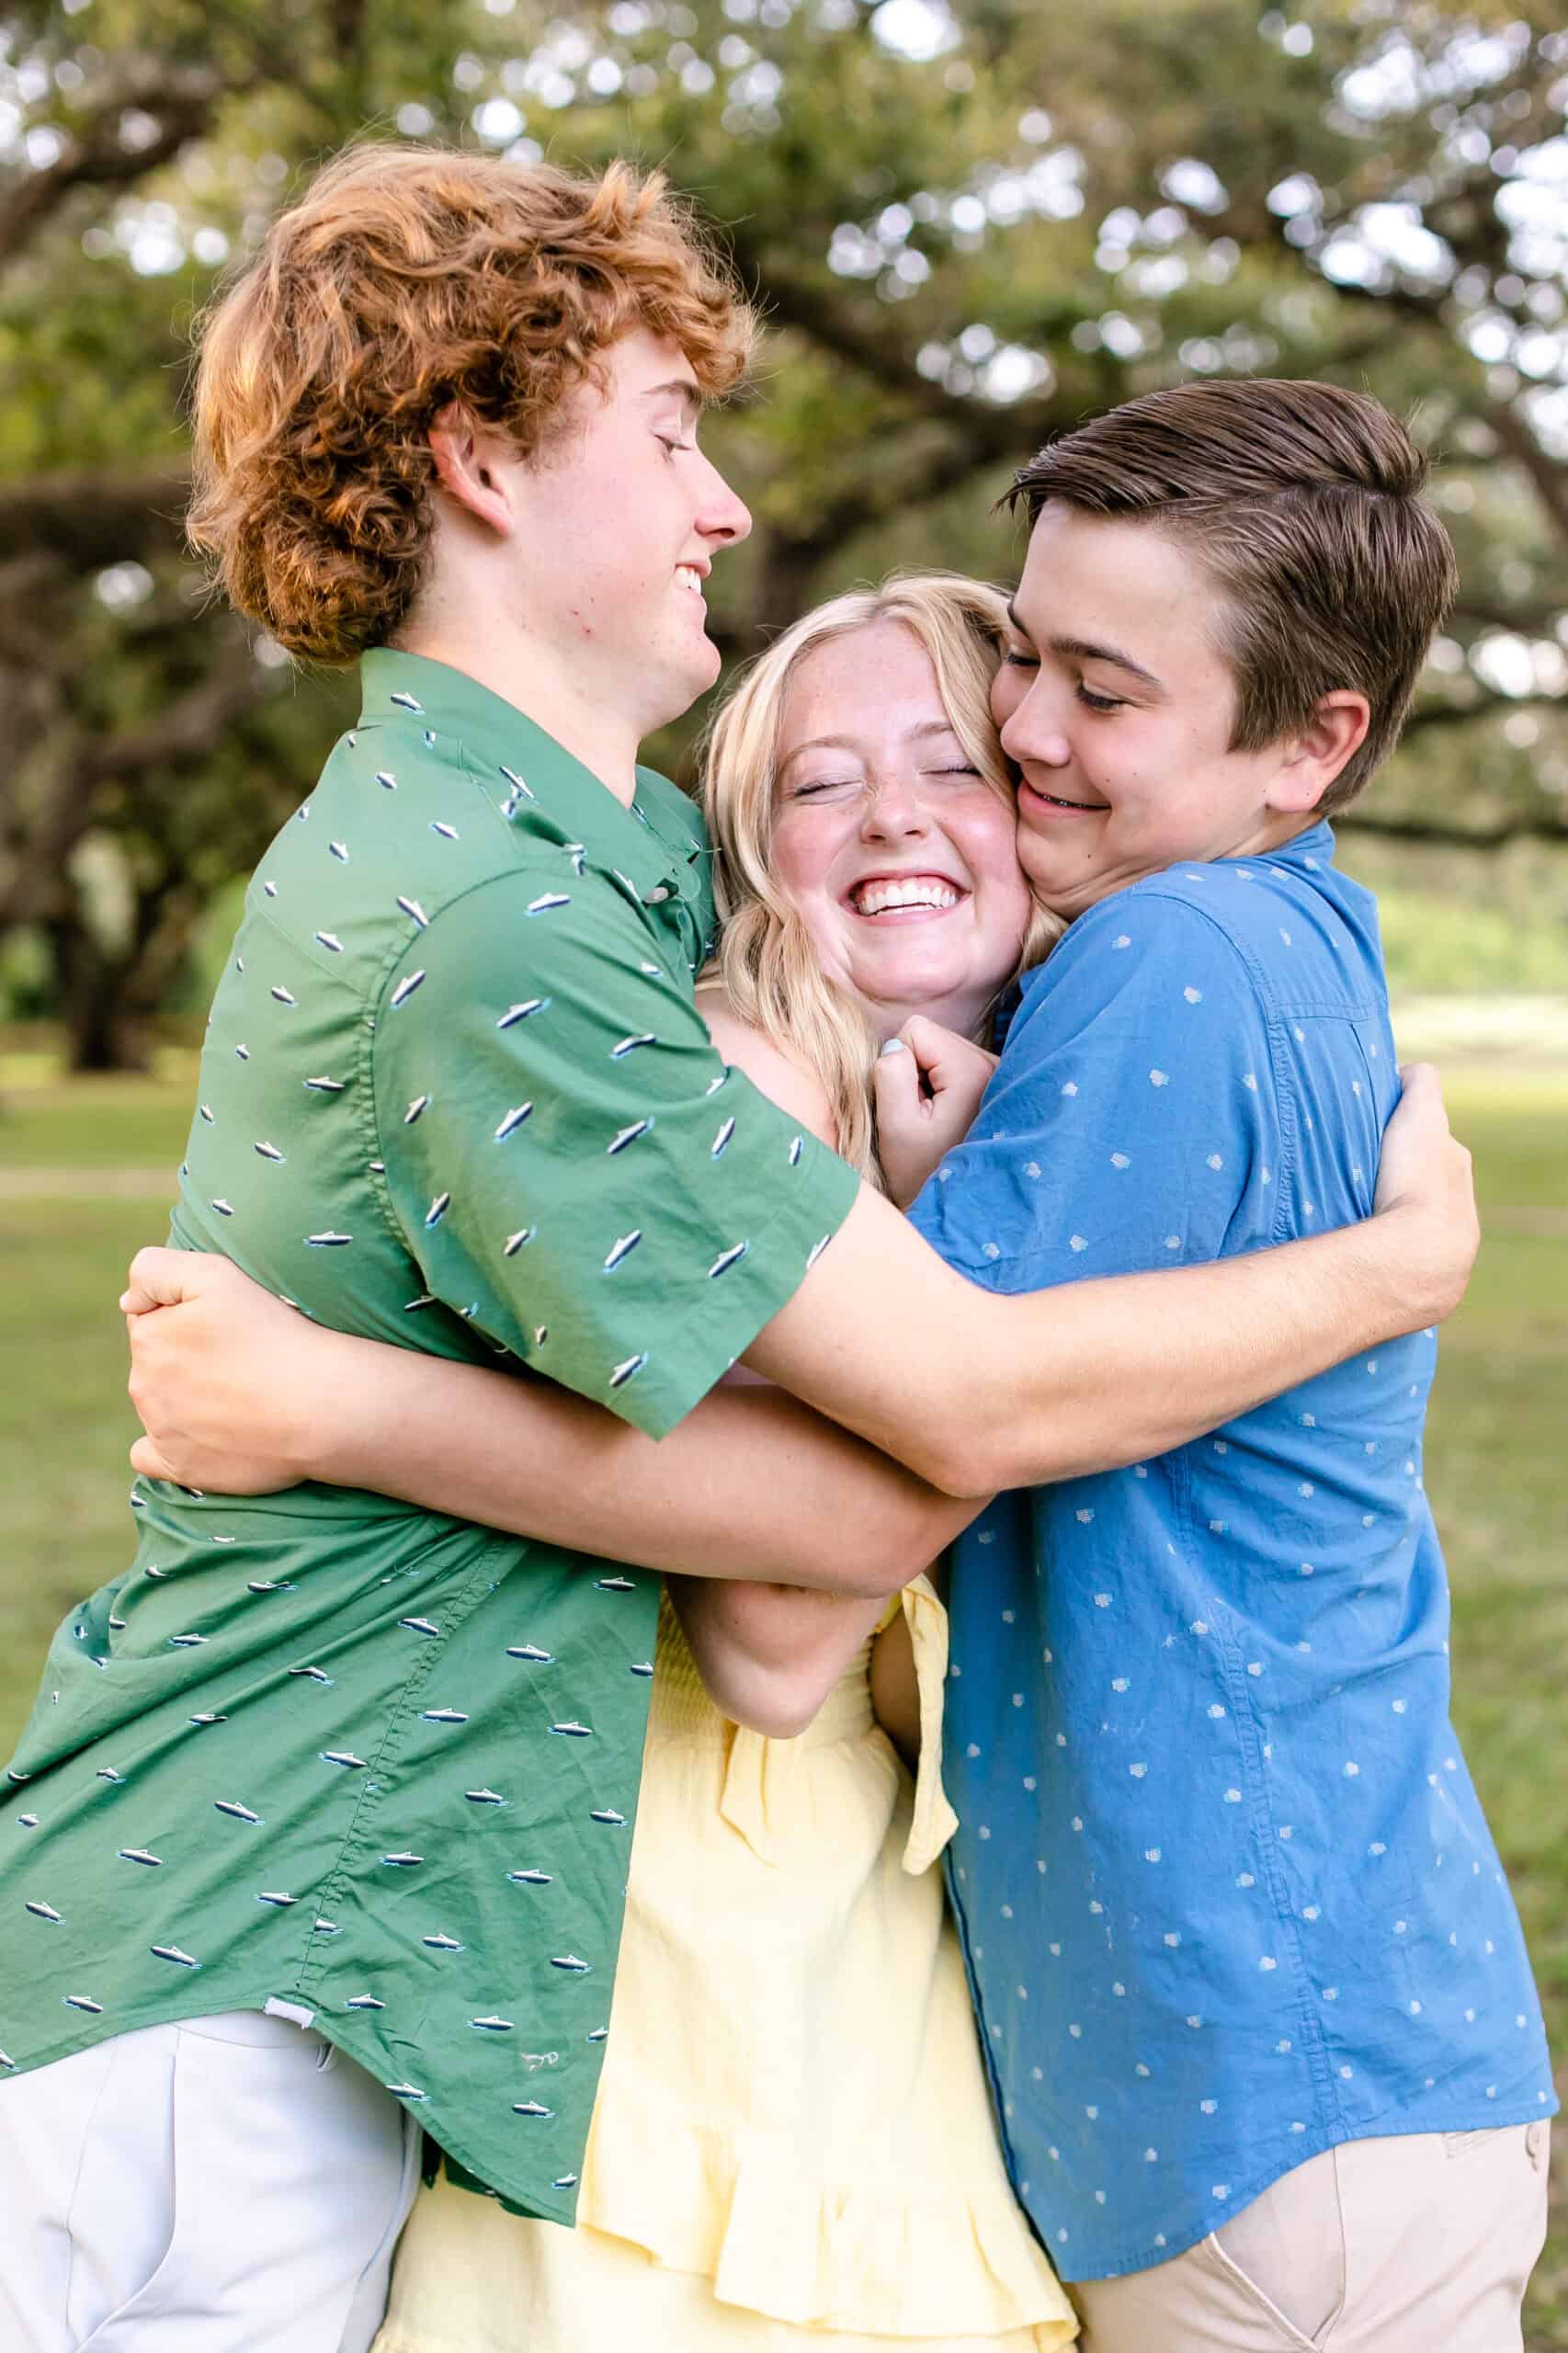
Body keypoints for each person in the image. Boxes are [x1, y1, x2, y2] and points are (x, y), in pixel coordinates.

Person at [0, 134, 1475, 2352]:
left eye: (973, 753)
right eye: (671, 434)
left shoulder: (587, 871)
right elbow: (913, 1453)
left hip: (333, 1964)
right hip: (246, 1971)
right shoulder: (522, 923)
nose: (724, 505)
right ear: (478, 455)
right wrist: (1388, 1269)